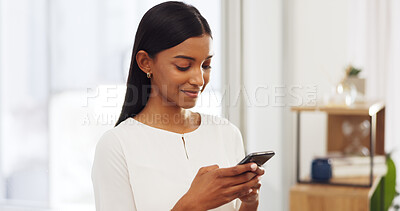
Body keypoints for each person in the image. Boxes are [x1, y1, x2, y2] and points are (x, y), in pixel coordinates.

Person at [91, 1, 265, 210]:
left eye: (206, 65)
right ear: (146, 62)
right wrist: (190, 205)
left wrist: (250, 202)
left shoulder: (227, 133)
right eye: (183, 66)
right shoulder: (116, 146)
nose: (199, 80)